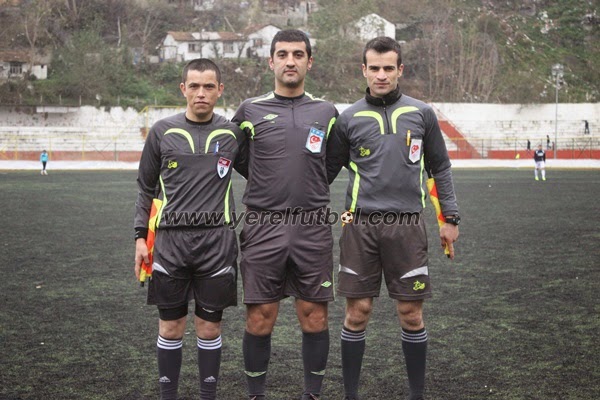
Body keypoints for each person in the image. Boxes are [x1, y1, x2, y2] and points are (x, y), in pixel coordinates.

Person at [326, 36, 460, 400]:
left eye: (388, 68)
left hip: (408, 225)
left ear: (400, 70)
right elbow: (323, 174)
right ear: (364, 70)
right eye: (375, 68)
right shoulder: (348, 119)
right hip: (359, 226)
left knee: (411, 313)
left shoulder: (422, 114)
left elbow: (439, 167)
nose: (381, 75)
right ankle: (350, 394)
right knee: (357, 313)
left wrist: (450, 218)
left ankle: (416, 394)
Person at [231, 29, 339, 400]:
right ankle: (256, 394)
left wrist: (307, 185)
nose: (290, 61)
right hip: (263, 224)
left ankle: (312, 394)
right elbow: (236, 157)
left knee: (314, 314)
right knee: (260, 317)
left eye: (297, 54)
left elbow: (332, 161)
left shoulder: (326, 111)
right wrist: (268, 182)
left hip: (312, 225)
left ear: (310, 61)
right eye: (282, 54)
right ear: (271, 61)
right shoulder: (249, 109)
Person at [133, 58, 244, 400]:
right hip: (170, 243)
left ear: (220, 90)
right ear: (183, 89)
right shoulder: (162, 132)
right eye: (194, 86)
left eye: (209, 86)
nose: (201, 93)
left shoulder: (233, 134)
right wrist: (140, 238)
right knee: (171, 326)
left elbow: (264, 173)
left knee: (209, 328)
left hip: (217, 242)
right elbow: (145, 188)